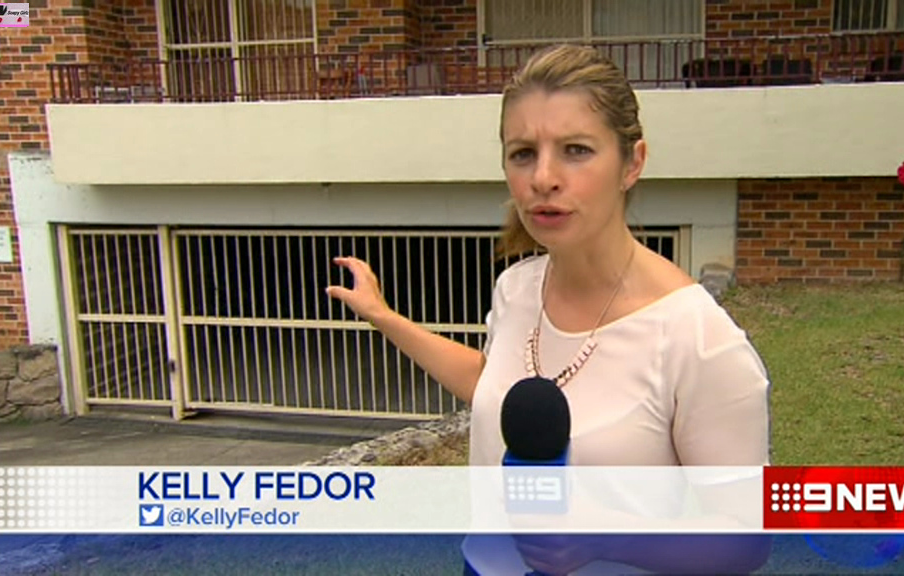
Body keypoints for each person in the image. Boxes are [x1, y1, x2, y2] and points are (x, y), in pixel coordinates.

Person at [326, 44, 772, 575]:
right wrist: (384, 316)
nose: (542, 177)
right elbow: (493, 385)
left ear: (632, 163)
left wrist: (606, 536)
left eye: (576, 150)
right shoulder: (516, 288)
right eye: (522, 153)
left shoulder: (698, 337)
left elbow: (747, 539)